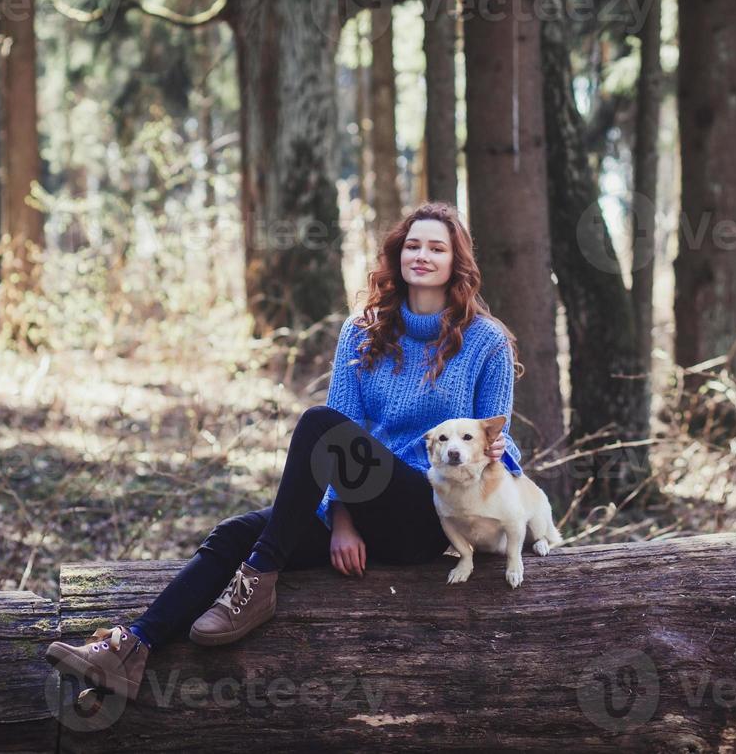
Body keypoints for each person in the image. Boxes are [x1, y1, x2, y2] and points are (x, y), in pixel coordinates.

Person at [44, 201, 527, 699]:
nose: (422, 255)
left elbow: (499, 450)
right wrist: (341, 520)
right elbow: (345, 433)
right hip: (363, 505)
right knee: (235, 533)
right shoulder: (362, 332)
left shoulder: (485, 341)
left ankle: (254, 586)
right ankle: (131, 648)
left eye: (437, 247)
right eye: (413, 245)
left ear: (456, 262)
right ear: (397, 254)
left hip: (427, 514)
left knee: (318, 424)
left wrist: (516, 520)